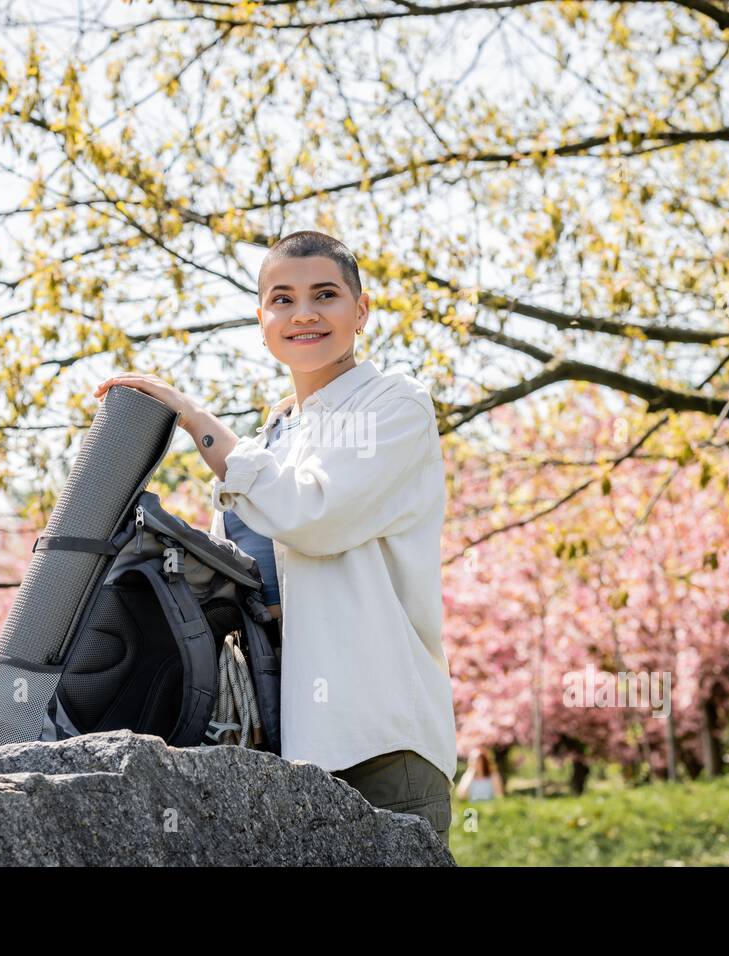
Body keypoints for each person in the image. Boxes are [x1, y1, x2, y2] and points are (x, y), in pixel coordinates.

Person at [93, 230, 457, 850]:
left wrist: (196, 421)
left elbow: (315, 515)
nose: (305, 313)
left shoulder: (393, 404)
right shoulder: (271, 441)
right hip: (282, 747)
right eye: (282, 299)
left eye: (325, 294)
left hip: (376, 739)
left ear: (361, 311)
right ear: (262, 320)